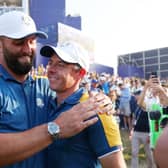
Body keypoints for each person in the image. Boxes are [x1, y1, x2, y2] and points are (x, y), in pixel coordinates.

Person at [0, 11, 114, 167]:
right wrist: (54, 129)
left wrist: (100, 100)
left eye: (32, 41)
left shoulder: (44, 86)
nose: (27, 49)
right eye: (19, 42)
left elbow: (71, 92)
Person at [40, 41, 127, 168]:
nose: (51, 69)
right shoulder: (46, 103)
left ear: (80, 73)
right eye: (50, 62)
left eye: (61, 64)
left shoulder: (97, 109)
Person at [129, 90, 155, 168]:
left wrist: (151, 135)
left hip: (147, 133)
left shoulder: (149, 105)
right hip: (136, 132)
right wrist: (131, 130)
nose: (135, 97)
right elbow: (134, 118)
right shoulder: (137, 106)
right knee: (134, 153)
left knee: (149, 154)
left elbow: (153, 121)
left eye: (137, 95)